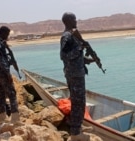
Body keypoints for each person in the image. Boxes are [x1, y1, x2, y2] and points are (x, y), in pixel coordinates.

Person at [60, 12, 94, 141]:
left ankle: (77, 127)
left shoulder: (73, 35)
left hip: (78, 73)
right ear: (68, 21)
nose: (76, 21)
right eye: (74, 19)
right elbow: (64, 56)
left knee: (81, 102)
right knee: (77, 102)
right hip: (73, 74)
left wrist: (89, 60)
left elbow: (77, 56)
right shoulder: (67, 36)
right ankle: (75, 134)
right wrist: (79, 48)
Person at [0, 26, 20, 124]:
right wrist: (8, 73)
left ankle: (2, 117)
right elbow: (1, 60)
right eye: (7, 34)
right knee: (12, 94)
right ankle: (15, 118)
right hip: (3, 73)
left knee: (1, 95)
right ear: (3, 33)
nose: (7, 37)